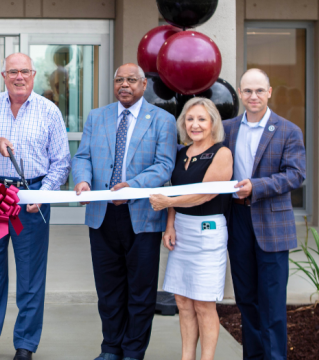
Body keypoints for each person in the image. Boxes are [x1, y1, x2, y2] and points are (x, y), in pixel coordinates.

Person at [0, 53, 71, 360]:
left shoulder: (49, 111)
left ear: (33, 75)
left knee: (30, 276)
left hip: (32, 198)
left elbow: (62, 162)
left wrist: (45, 193)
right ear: (4, 75)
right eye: (13, 72)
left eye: (24, 71)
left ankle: (25, 344)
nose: (19, 77)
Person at [72, 63, 177, 360]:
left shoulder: (162, 119)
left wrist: (131, 186)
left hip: (142, 216)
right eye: (119, 79)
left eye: (131, 80)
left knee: (141, 292)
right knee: (108, 290)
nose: (124, 85)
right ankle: (110, 348)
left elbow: (164, 165)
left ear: (144, 85)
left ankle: (133, 352)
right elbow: (83, 156)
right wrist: (82, 179)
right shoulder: (97, 116)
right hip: (102, 215)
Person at [223, 68, 306, 360]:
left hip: (272, 223)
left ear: (269, 92)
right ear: (241, 93)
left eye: (259, 90)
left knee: (271, 303)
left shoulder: (288, 130)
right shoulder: (227, 128)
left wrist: (255, 187)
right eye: (247, 91)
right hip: (238, 221)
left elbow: (295, 176)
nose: (253, 96)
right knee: (246, 300)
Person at [149, 98, 233, 360]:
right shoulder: (180, 153)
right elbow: (175, 190)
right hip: (182, 232)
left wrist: (168, 202)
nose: (195, 125)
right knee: (183, 301)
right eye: (190, 119)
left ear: (212, 124)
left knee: (204, 303)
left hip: (208, 233)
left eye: (201, 119)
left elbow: (204, 195)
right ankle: (187, 357)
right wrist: (170, 225)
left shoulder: (222, 153)